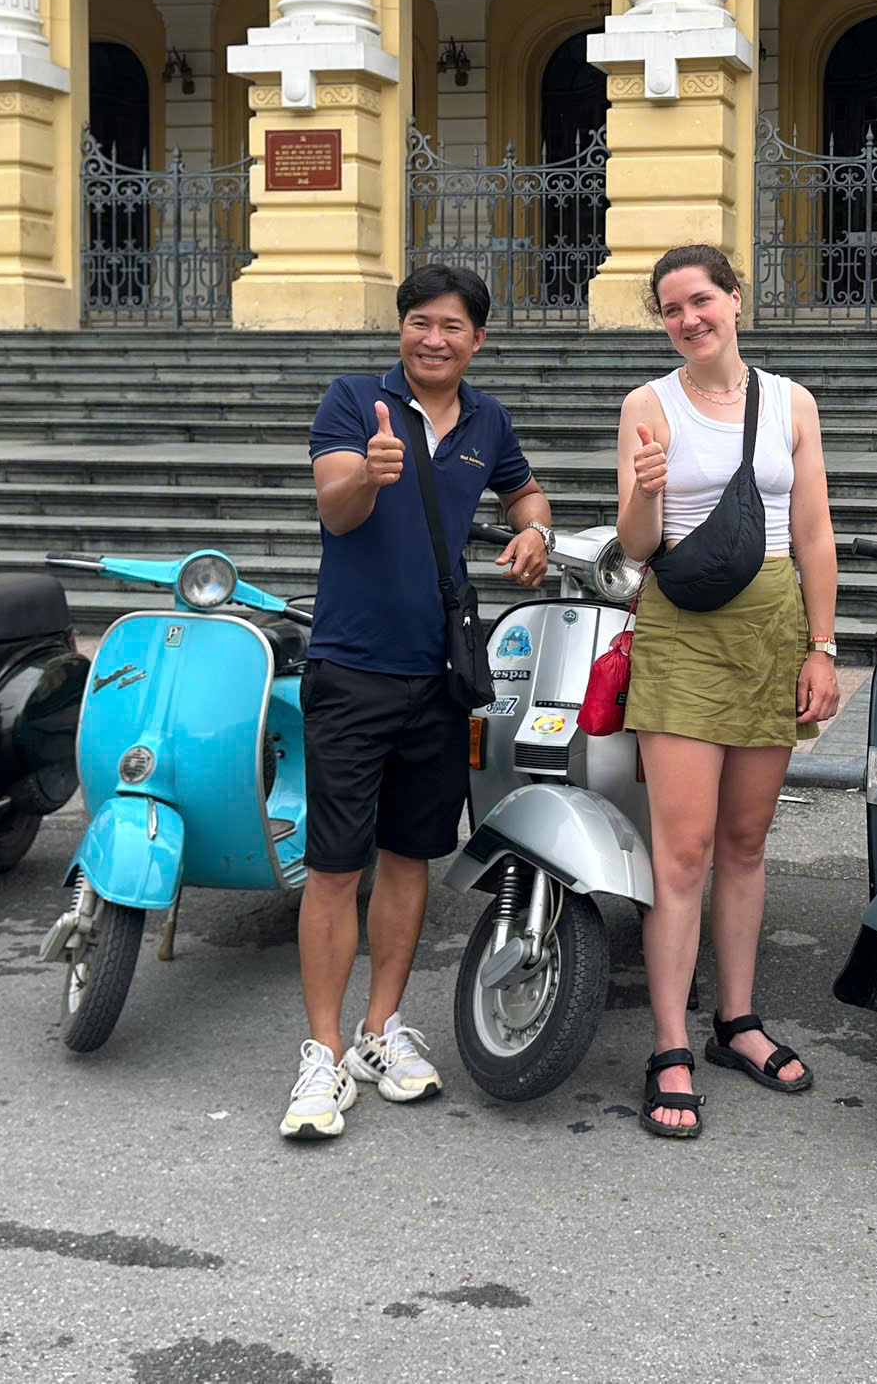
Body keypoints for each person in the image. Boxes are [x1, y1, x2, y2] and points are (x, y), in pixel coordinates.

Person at [285, 263, 553, 1140]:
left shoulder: (487, 419)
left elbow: (523, 489)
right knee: (334, 865)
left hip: (441, 674)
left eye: (452, 326)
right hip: (353, 666)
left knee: (409, 856)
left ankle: (378, 1030)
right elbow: (336, 509)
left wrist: (535, 530)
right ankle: (321, 1053)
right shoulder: (355, 400)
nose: (433, 339)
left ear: (478, 340)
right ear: (400, 328)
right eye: (418, 322)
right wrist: (369, 472)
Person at [613, 244, 843, 1140]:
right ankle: (670, 1041)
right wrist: (643, 488)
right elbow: (636, 546)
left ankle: (735, 1022)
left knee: (746, 841)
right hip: (682, 631)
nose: (688, 319)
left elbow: (815, 532)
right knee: (684, 850)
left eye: (701, 299)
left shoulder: (792, 402)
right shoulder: (647, 403)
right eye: (671, 308)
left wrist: (821, 648)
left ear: (736, 300)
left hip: (773, 628)